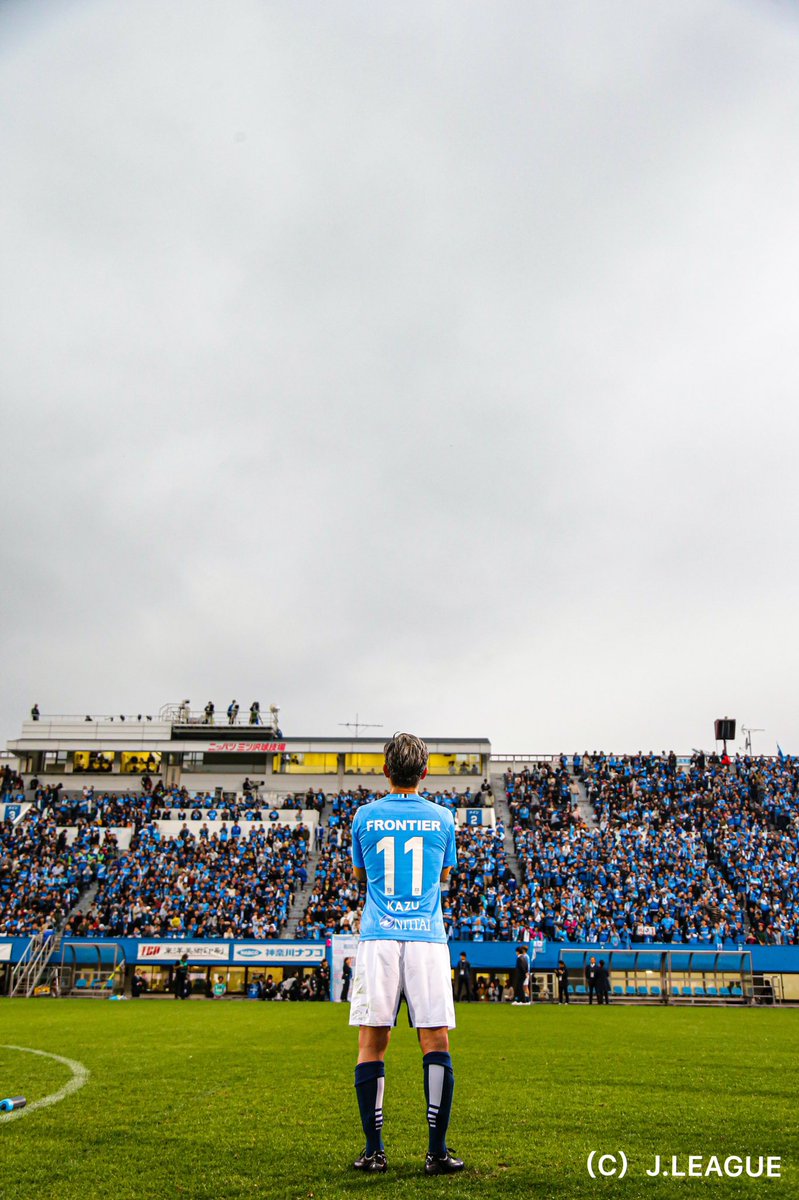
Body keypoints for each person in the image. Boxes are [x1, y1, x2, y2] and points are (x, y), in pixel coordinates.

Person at [349, 733, 464, 1176]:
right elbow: (445, 873)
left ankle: (374, 1152)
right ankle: (437, 1153)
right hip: (426, 938)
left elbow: (361, 873)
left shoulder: (364, 816)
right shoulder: (443, 818)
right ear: (425, 772)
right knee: (435, 1040)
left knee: (372, 1042)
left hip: (378, 937)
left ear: (384, 771)